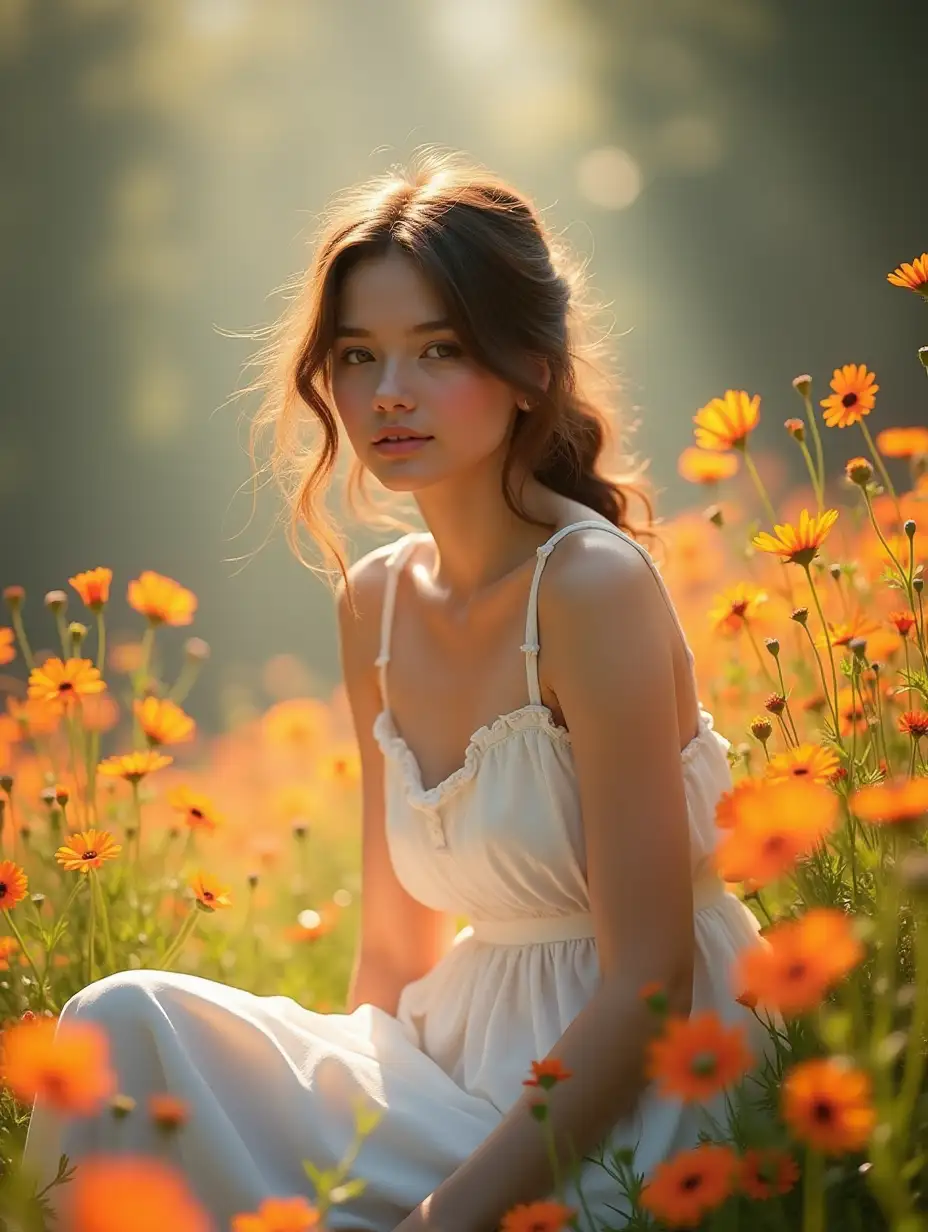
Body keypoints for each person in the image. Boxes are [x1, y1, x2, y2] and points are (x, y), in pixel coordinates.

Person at [23, 151, 766, 1231]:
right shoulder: (371, 601)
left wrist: (440, 1215)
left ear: (528, 367)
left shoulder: (590, 585)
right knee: (115, 1018)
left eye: (439, 350)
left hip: (629, 1093)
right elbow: (391, 953)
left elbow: (648, 987)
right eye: (359, 356)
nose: (390, 394)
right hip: (448, 1058)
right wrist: (336, 1119)